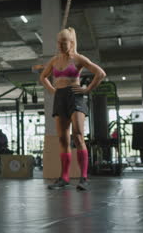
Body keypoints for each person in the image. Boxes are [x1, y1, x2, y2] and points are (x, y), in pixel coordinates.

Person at [40, 28, 106, 190]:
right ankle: (64, 177)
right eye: (59, 43)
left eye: (64, 43)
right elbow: (42, 77)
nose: (61, 46)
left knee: (77, 134)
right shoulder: (54, 60)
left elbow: (100, 73)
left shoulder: (78, 58)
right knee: (63, 139)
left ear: (71, 43)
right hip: (60, 97)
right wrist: (53, 90)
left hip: (75, 96)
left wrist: (87, 89)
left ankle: (83, 177)